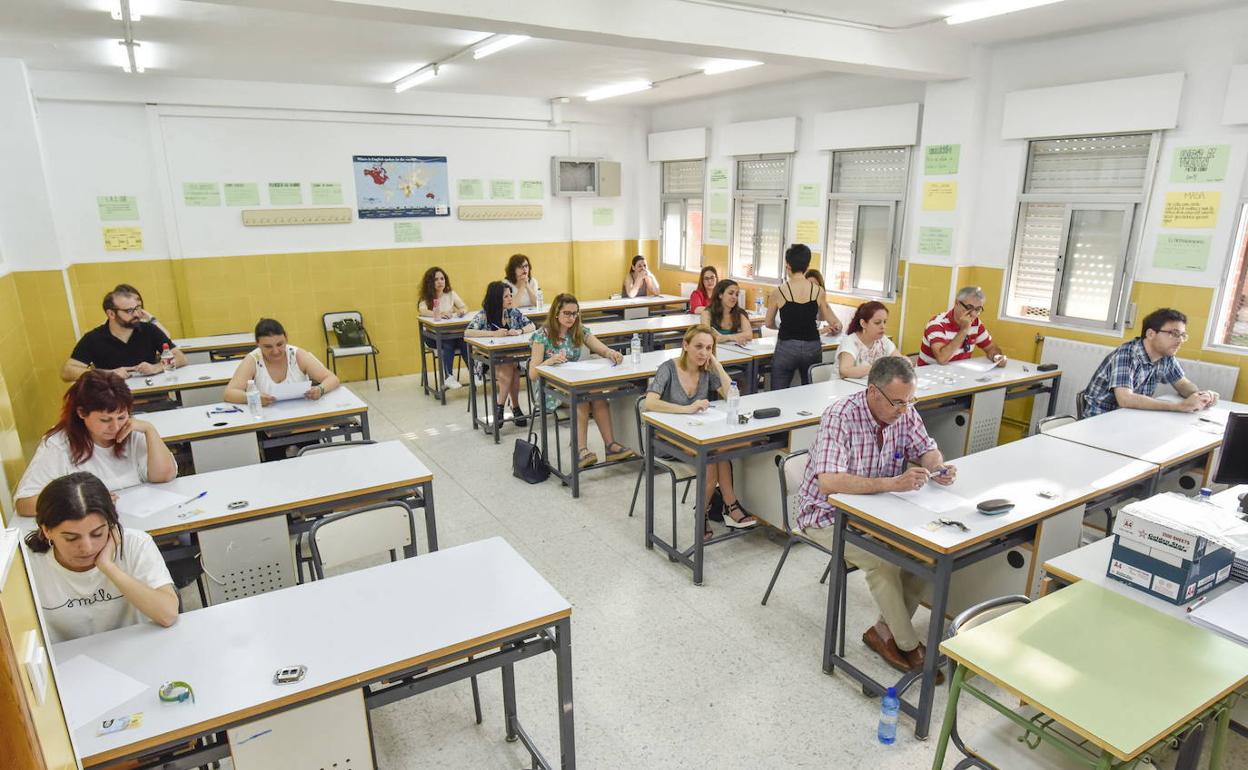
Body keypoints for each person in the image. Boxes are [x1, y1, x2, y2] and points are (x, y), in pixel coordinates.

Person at [797, 356, 956, 676]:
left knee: (925, 554)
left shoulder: (904, 411)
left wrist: (936, 466)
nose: (904, 409)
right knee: (884, 562)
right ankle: (910, 646)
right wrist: (892, 483)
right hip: (826, 516)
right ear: (873, 392)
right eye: (897, 402)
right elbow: (829, 483)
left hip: (879, 512)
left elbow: (927, 448)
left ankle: (884, 632)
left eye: (910, 401)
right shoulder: (840, 416)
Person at [24, 472, 178, 643]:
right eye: (71, 538)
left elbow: (168, 614)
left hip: (136, 651)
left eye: (97, 534)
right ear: (46, 531)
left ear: (110, 524)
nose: (87, 548)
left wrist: (107, 566)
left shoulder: (136, 544)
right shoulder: (27, 564)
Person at [644, 326, 757, 539]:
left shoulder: (706, 370)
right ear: (685, 345)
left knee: (718, 452)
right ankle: (721, 509)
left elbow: (731, 396)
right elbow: (650, 402)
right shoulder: (668, 368)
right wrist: (687, 408)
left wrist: (716, 363)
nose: (703, 353)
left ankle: (719, 508)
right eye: (698, 346)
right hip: (665, 439)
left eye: (708, 348)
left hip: (698, 435)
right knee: (713, 456)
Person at [15, 370, 177, 517]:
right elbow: (24, 503)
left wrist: (150, 430)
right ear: (81, 413)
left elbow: (164, 475)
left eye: (121, 417)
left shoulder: (132, 430)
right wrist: (82, 499)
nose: (115, 427)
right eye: (105, 420)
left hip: (141, 516)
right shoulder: (58, 445)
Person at [530, 293, 636, 468]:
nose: (571, 317)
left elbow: (599, 347)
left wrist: (611, 353)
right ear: (556, 313)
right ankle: (580, 451)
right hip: (548, 388)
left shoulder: (578, 330)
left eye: (574, 313)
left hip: (571, 382)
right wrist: (549, 362)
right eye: (567, 313)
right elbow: (533, 374)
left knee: (597, 393)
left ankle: (610, 446)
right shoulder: (542, 335)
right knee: (581, 399)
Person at [1081, 308, 1219, 418]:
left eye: (1183, 335)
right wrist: (1178, 406)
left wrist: (1201, 396)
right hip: (1101, 419)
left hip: (1130, 417)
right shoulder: (1128, 354)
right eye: (1174, 334)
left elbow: (1183, 384)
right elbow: (1125, 399)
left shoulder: (1166, 356)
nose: (1180, 340)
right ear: (1151, 334)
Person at [62, 286, 187, 382]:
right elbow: (67, 372)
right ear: (111, 314)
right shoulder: (93, 338)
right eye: (129, 311)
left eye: (138, 308)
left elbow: (180, 357)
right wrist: (108, 374)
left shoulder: (149, 330)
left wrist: (156, 367)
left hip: (154, 396)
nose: (137, 314)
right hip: (113, 402)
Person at [765, 244, 843, 389]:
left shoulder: (779, 291)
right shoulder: (818, 291)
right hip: (812, 346)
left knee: (777, 392)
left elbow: (768, 322)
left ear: (787, 265)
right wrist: (837, 325)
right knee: (811, 390)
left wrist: (778, 327)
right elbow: (832, 320)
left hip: (786, 345)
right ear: (807, 265)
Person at [467, 281, 536, 433]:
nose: (510, 298)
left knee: (513, 369)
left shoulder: (512, 312)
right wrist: (493, 333)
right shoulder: (484, 314)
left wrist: (519, 331)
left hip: (509, 360)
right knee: (510, 368)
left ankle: (502, 409)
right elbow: (468, 332)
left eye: (511, 295)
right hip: (487, 361)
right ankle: (511, 408)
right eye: (506, 296)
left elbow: (532, 326)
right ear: (497, 298)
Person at [225, 318, 340, 406]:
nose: (276, 351)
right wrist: (254, 398)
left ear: (286, 337)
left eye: (280, 344)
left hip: (302, 415)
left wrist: (320, 389)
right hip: (268, 422)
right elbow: (229, 393)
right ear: (257, 343)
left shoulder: (297, 355)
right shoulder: (253, 359)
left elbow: (332, 378)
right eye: (268, 346)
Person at [918, 286, 1007, 367]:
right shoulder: (936, 324)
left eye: (977, 309)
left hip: (957, 375)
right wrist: (964, 330)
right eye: (969, 307)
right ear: (957, 303)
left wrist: (996, 356)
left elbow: (991, 348)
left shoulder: (976, 323)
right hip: (930, 375)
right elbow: (942, 359)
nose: (973, 314)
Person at [418, 266, 469, 391]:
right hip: (432, 336)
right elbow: (422, 311)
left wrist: (461, 311)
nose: (440, 282)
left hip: (450, 333)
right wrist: (438, 313)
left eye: (442, 278)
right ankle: (448, 376)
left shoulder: (450, 294)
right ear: (431, 282)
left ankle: (474, 372)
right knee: (447, 341)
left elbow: (464, 306)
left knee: (464, 340)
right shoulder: (426, 297)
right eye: (436, 279)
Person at [837, 301, 904, 379]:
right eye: (877, 322)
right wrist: (878, 367)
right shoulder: (850, 341)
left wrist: (904, 361)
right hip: (842, 387)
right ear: (863, 324)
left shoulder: (883, 340)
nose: (883, 326)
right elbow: (845, 371)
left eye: (884, 322)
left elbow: (899, 360)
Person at [699, 279, 753, 345]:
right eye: (730, 293)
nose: (734, 297)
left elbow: (749, 335)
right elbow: (706, 337)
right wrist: (736, 337)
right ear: (720, 295)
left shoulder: (740, 313)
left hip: (734, 351)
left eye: (736, 294)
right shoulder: (707, 313)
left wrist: (726, 337)